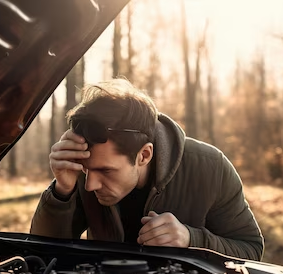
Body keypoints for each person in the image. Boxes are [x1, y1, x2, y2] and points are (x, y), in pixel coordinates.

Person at [30, 79, 263, 261]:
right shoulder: (81, 172)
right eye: (86, 171)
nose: (91, 185)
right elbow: (41, 253)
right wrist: (62, 192)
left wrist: (191, 239)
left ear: (144, 155)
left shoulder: (210, 167)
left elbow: (251, 250)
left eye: (107, 171)